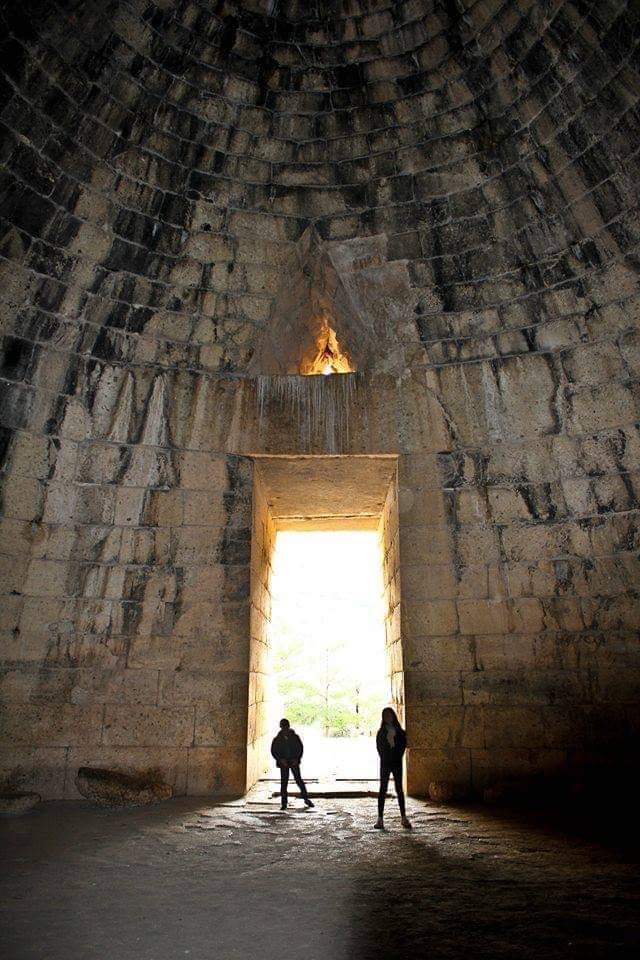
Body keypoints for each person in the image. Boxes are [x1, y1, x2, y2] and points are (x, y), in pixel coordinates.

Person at [375, 707, 411, 830]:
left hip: (396, 763)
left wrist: (396, 755)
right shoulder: (381, 733)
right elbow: (380, 748)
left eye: (389, 715)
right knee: (382, 790)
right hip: (385, 763)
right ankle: (380, 819)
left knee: (399, 789)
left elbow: (402, 745)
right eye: (386, 716)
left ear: (393, 716)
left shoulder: (400, 732)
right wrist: (387, 756)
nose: (388, 718)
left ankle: (403, 817)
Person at [271, 718, 314, 810]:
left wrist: (296, 759)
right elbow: (274, 751)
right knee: (284, 783)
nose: (284, 729)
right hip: (284, 763)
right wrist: (281, 759)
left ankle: (306, 799)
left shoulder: (294, 737)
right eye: (283, 727)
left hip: (293, 762)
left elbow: (300, 749)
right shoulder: (278, 739)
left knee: (298, 781)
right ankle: (284, 803)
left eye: (285, 727)